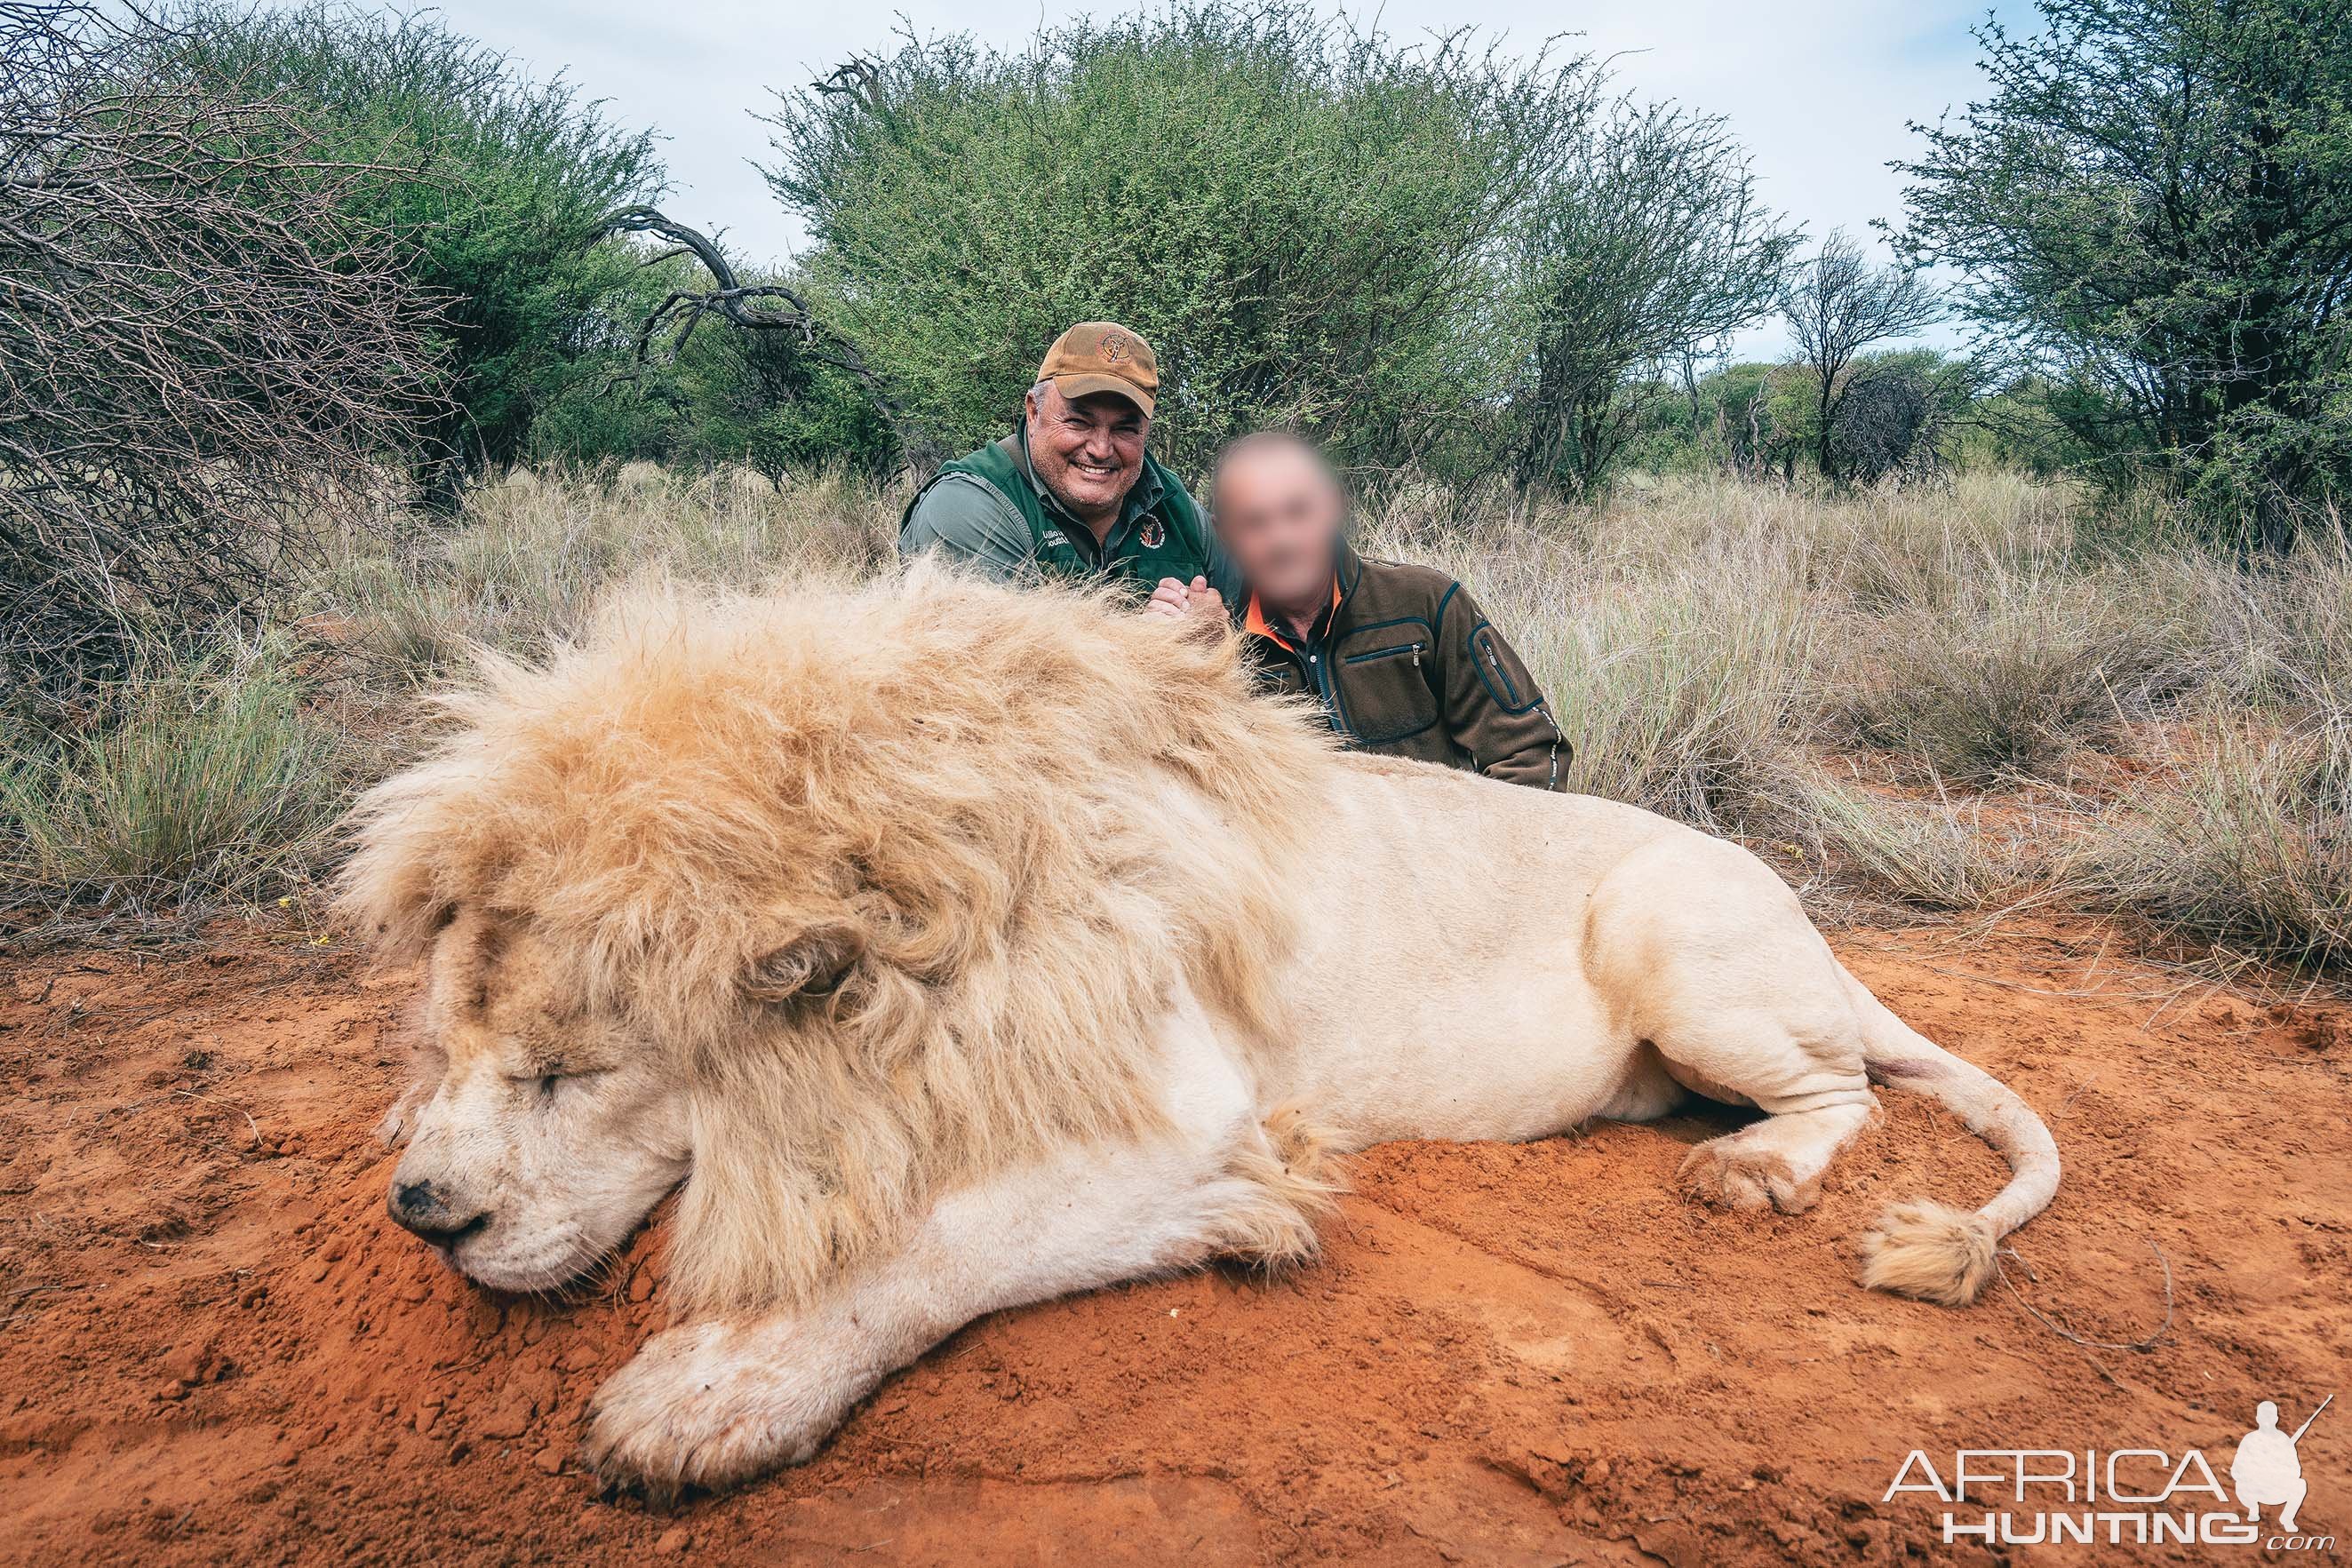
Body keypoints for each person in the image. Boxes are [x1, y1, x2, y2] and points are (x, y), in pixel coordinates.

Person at [1171, 430, 1568, 789]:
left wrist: (1483, 857)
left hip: (1445, 853)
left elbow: (1531, 753)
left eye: (1298, 512)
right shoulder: (1225, 643)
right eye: (1255, 523)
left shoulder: (1425, 601)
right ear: (1225, 535)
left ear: (1333, 507)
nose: (1282, 541)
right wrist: (1188, 660)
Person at [899, 322, 1240, 616]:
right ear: (1034, 412)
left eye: (1125, 428)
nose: (1101, 449)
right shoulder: (967, 507)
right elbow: (1006, 669)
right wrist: (1153, 640)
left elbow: (1263, 628)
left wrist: (1217, 631)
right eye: (1078, 421)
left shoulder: (1173, 503)